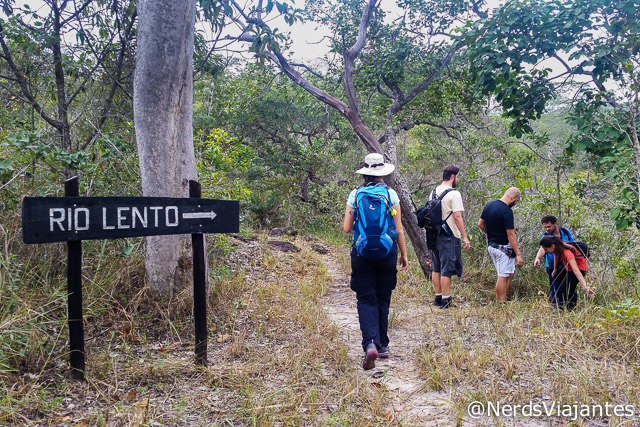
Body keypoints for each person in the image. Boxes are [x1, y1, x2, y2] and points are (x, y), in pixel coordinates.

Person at [343, 152, 408, 370]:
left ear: (364, 172)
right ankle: (383, 345)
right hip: (387, 252)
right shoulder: (391, 194)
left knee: (366, 298)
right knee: (383, 297)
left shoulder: (355, 194)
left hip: (361, 254)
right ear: (382, 172)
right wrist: (404, 254)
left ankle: (370, 343)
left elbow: (346, 228)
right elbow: (399, 228)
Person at [430, 165, 471, 309]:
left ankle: (438, 297)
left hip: (435, 234)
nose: (457, 179)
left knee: (436, 267)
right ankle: (445, 301)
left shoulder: (433, 192)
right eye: (457, 177)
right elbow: (457, 216)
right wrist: (465, 237)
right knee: (446, 269)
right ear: (453, 176)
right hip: (449, 234)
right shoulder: (454, 194)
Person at [478, 187, 524, 302]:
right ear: (513, 198)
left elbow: (480, 224)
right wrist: (518, 254)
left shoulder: (489, 205)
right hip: (502, 248)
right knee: (503, 275)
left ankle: (503, 297)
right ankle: (500, 302)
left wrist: (491, 234)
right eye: (516, 201)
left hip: (492, 245)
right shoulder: (506, 211)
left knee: (510, 272)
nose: (516, 203)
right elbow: (511, 234)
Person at [539, 236, 595, 310]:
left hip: (580, 269)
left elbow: (576, 270)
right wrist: (555, 269)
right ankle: (570, 308)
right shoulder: (557, 249)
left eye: (546, 249)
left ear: (552, 246)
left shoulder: (567, 252)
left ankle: (570, 308)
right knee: (567, 287)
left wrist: (585, 286)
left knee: (564, 288)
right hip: (569, 269)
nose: (545, 251)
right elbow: (556, 256)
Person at [533, 215, 574, 305]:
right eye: (545, 227)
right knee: (555, 287)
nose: (547, 229)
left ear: (555, 223)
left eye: (549, 226)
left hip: (567, 264)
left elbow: (572, 244)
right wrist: (537, 258)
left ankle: (570, 306)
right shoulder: (546, 236)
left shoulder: (565, 232)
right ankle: (557, 307)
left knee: (569, 286)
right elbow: (542, 248)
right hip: (552, 265)